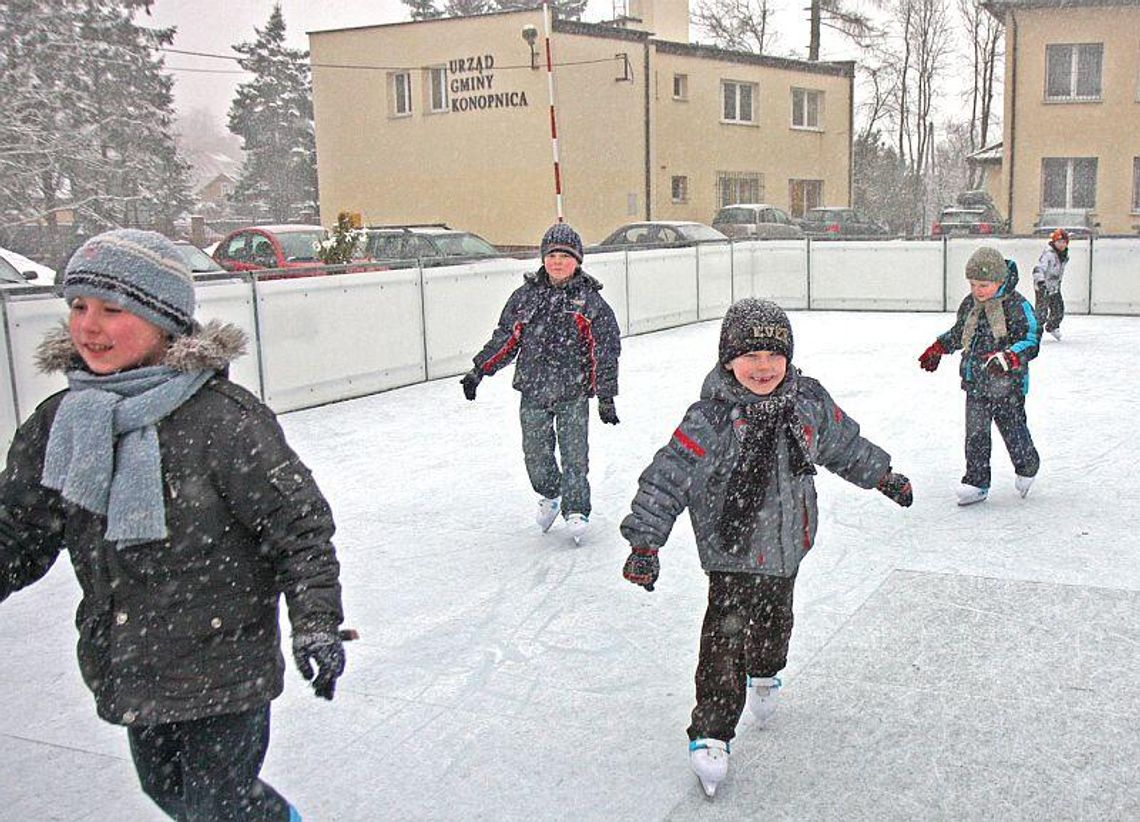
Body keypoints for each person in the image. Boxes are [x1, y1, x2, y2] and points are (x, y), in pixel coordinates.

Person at [0, 229, 346, 821]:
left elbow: (299, 526)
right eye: (79, 306)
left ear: (166, 321)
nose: (89, 326)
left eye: (113, 310)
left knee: (217, 807)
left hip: (223, 658)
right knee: (171, 794)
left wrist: (316, 621)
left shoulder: (223, 421)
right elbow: (19, 532)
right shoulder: (64, 422)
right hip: (130, 659)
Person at [618, 298, 912, 798]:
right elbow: (668, 478)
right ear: (728, 360)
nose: (763, 367)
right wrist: (646, 542)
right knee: (724, 640)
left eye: (773, 356)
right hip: (730, 551)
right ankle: (711, 732)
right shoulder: (710, 419)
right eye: (750, 356)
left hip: (785, 546)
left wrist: (882, 474)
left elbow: (843, 444)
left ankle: (766, 671)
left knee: (774, 627)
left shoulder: (807, 403)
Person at [460, 222, 621, 543]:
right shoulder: (526, 297)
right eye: (551, 255)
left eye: (564, 255)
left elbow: (606, 351)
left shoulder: (590, 303)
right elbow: (506, 339)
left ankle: (576, 508)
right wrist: (479, 370)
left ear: (577, 260)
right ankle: (551, 494)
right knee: (535, 455)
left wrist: (605, 395)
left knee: (575, 456)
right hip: (533, 389)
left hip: (572, 392)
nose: (557, 261)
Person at [918, 245, 1041, 505]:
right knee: (976, 434)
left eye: (983, 284)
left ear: (1000, 280)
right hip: (975, 383)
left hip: (1009, 385)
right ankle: (976, 481)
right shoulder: (970, 305)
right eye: (973, 284)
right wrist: (938, 348)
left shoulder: (1016, 305)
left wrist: (1008, 358)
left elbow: (1031, 338)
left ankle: (1027, 465)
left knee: (1013, 430)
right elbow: (960, 333)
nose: (977, 290)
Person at [1032, 227, 1069, 341]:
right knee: (1041, 313)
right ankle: (1034, 332)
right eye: (1059, 242)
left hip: (1054, 287)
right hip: (1043, 286)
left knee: (1058, 310)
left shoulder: (1063, 255)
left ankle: (1052, 326)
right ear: (1054, 242)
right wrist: (1040, 282)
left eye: (1064, 242)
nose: (1061, 245)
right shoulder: (1048, 254)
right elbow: (1038, 268)